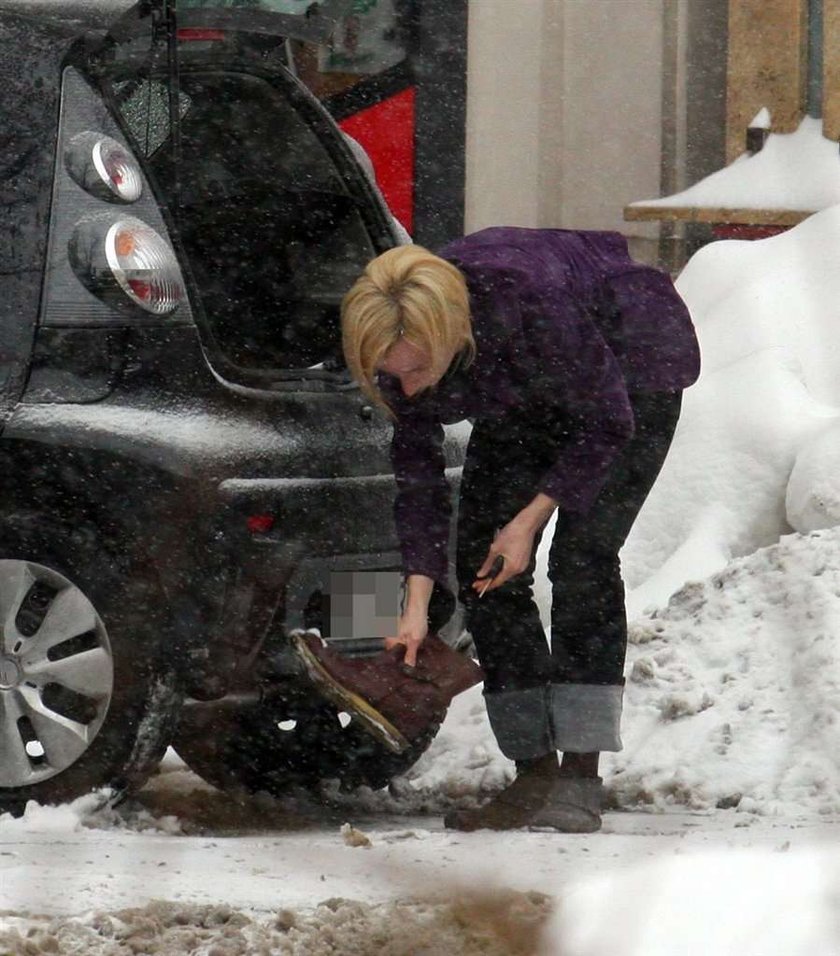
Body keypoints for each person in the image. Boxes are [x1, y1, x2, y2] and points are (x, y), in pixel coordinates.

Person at [340, 227, 700, 832]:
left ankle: (581, 775)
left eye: (416, 370)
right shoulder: (398, 349)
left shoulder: (526, 300)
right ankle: (533, 773)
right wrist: (415, 602)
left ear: (448, 335)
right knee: (482, 569)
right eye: (388, 375)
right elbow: (421, 482)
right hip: (522, 386)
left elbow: (608, 420)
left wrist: (529, 520)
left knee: (581, 559)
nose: (402, 387)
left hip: (628, 376)